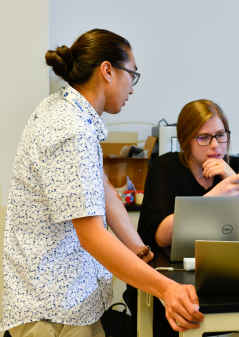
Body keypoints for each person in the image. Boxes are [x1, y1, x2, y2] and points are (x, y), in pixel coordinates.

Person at [0, 29, 204, 337]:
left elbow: (102, 189)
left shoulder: (64, 110)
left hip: (55, 301)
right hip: (55, 312)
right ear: (107, 70)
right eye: (132, 75)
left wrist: (136, 247)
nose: (133, 89)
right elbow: (92, 237)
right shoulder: (72, 131)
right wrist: (167, 290)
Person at [124, 99, 239, 337]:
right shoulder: (165, 167)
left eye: (220, 135)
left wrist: (234, 181)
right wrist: (216, 195)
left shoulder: (238, 167)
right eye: (203, 137)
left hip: (229, 269)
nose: (214, 145)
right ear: (186, 139)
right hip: (176, 269)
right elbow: (159, 234)